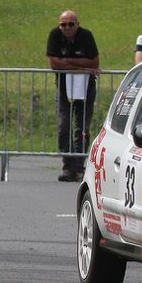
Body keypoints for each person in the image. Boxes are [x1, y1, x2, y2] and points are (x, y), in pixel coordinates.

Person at [46, 10, 100, 182]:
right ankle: (68, 166)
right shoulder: (54, 35)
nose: (67, 27)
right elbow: (54, 64)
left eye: (71, 24)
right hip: (63, 87)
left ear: (78, 24)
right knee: (64, 126)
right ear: (59, 25)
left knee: (82, 128)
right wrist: (81, 66)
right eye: (64, 24)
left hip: (86, 87)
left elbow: (94, 62)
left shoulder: (86, 35)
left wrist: (67, 62)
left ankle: (79, 167)